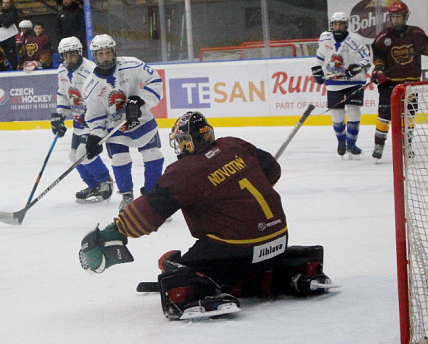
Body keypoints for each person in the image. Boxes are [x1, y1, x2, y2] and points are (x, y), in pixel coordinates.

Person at [78, 111, 334, 319]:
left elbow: (146, 214)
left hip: (236, 248)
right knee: (240, 261)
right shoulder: (235, 145)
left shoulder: (183, 171)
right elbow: (272, 172)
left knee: (172, 263)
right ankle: (290, 272)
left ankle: (203, 292)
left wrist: (116, 230)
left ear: (187, 142)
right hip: (278, 240)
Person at [82, 34, 164, 210]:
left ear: (114, 52)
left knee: (153, 154)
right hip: (115, 126)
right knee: (120, 158)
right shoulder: (90, 85)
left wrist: (140, 100)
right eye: (101, 54)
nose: (105, 57)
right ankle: (127, 196)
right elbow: (96, 116)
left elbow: (155, 81)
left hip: (141, 119)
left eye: (108, 52)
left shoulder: (132, 64)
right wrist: (95, 136)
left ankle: (153, 196)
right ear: (94, 56)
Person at [370, 1, 428, 159]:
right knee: (384, 114)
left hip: (410, 84)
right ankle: (379, 145)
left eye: (400, 17)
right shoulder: (383, 37)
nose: (396, 20)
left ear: (406, 17)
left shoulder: (416, 34)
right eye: (394, 17)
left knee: (409, 115)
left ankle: (407, 145)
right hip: (389, 83)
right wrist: (379, 70)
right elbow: (378, 57)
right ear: (390, 18)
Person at [52, 37, 113, 203]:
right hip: (79, 121)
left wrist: (95, 115)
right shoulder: (62, 71)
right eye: (65, 56)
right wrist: (60, 115)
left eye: (72, 55)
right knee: (73, 155)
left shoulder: (91, 70)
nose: (69, 59)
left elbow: (102, 95)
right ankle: (94, 186)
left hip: (94, 120)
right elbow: (63, 94)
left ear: (79, 53)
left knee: (83, 153)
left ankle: (105, 181)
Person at [311, 11, 371, 158]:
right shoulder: (325, 38)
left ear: (346, 25)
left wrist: (355, 68)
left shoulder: (355, 39)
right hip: (334, 80)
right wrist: (317, 70)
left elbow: (367, 60)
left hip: (354, 80)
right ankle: (341, 141)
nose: (338, 27)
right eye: (335, 24)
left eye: (341, 24)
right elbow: (320, 55)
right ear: (331, 25)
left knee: (353, 109)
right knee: (336, 112)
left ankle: (351, 143)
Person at [0, 0, 19, 70]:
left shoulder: (13, 13)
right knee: (1, 61)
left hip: (10, 41)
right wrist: (2, 23)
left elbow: (7, 23)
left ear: (10, 4)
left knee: (13, 60)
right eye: (4, 3)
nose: (5, 4)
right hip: (1, 40)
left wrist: (1, 17)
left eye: (7, 3)